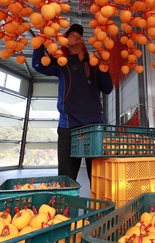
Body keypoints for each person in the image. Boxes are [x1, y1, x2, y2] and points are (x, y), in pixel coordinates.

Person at [32, 23, 113, 183]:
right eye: (71, 34)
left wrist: (105, 68)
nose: (77, 35)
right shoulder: (61, 62)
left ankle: (100, 207)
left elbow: (108, 88)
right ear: (64, 42)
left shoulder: (94, 63)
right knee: (66, 180)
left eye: (79, 34)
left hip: (95, 128)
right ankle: (65, 207)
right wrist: (40, 41)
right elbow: (38, 65)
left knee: (100, 180)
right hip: (69, 127)